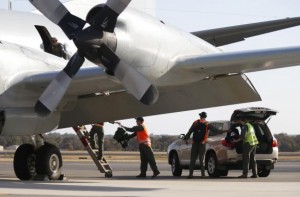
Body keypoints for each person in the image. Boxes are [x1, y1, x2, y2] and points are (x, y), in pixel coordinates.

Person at [184, 112, 217, 178]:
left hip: (195, 143)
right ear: (205, 117)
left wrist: (186, 138)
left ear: (200, 116)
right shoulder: (207, 124)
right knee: (202, 159)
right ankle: (203, 174)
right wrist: (225, 131)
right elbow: (215, 130)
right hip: (202, 143)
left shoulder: (196, 122)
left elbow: (190, 131)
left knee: (192, 159)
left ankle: (190, 174)